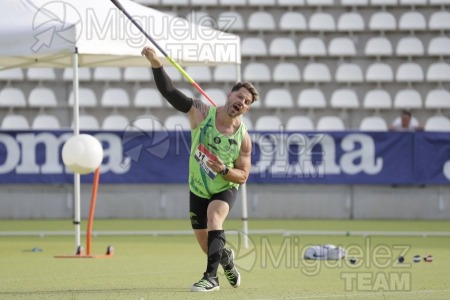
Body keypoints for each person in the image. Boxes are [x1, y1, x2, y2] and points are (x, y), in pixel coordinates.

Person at [141, 47, 259, 292]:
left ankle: (211, 279)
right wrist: (156, 63)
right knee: (208, 246)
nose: (242, 103)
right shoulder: (201, 112)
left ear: (247, 110)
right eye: (240, 97)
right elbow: (170, 92)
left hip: (224, 188)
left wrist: (224, 169)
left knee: (214, 218)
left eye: (246, 103)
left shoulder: (243, 139)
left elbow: (243, 176)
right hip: (197, 187)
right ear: (230, 95)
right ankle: (226, 260)